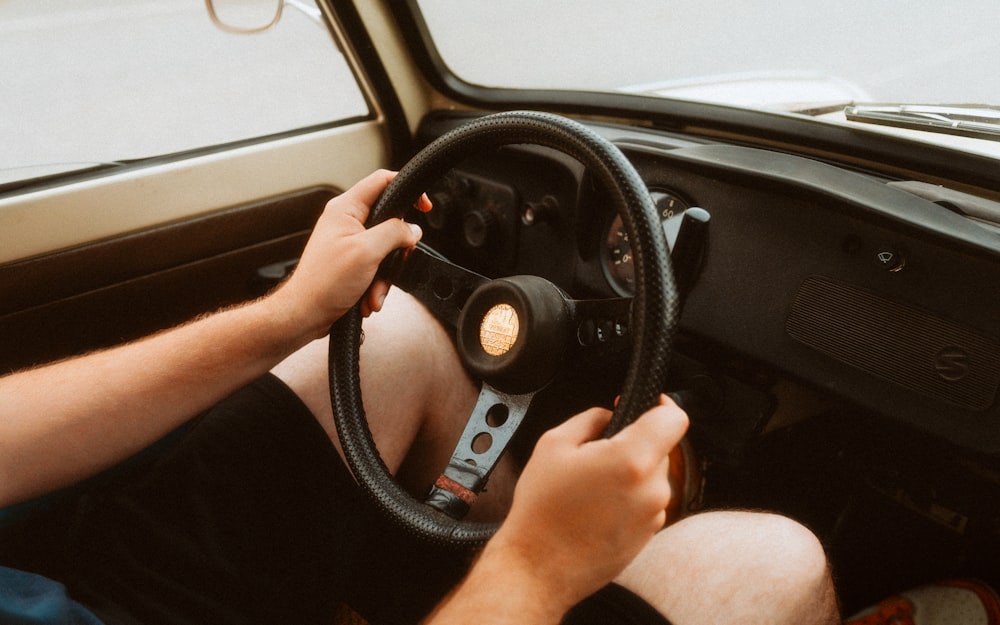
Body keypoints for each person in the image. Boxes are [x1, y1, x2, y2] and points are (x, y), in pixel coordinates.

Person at [0, 170, 840, 625]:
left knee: (388, 333)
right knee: (771, 562)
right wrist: (537, 568)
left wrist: (289, 314)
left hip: (80, 595)